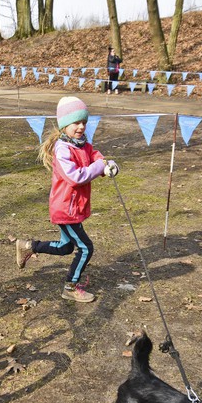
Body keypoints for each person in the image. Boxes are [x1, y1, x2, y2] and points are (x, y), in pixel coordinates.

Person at [15, 97, 119, 303]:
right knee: (86, 247)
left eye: (84, 122)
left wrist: (108, 166)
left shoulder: (82, 145)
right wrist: (98, 168)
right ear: (64, 124)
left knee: (66, 247)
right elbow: (75, 177)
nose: (81, 127)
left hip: (73, 208)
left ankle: (28, 246)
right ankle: (70, 286)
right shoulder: (62, 149)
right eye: (76, 122)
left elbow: (96, 156)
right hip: (65, 209)